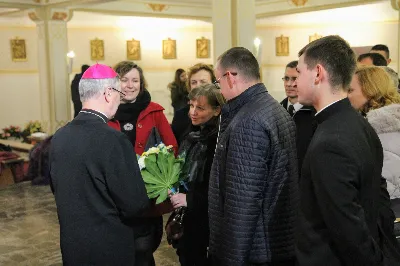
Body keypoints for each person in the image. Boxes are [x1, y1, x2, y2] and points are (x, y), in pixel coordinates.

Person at [294, 35, 386, 266]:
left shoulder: (331, 141)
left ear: (317, 73)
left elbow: (348, 230)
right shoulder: (356, 122)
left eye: (299, 72)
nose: (294, 81)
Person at [49, 63, 149, 265]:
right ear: (108, 94)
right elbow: (134, 204)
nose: (119, 101)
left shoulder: (59, 137)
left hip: (73, 247)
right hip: (109, 249)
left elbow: (56, 187)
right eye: (119, 94)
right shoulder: (114, 140)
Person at [208, 47, 298, 266]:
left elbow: (242, 203)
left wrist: (231, 260)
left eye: (217, 81)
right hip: (274, 240)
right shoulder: (273, 108)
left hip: (256, 250)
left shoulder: (248, 122)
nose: (218, 88)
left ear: (229, 77)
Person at [108, 61, 177, 266]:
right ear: (115, 83)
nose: (130, 85)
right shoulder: (105, 113)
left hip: (146, 196)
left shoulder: (154, 111)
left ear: (141, 83)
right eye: (124, 79)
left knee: (144, 251)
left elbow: (172, 148)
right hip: (115, 198)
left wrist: (155, 170)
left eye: (135, 80)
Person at [168, 84, 225, 266]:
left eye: (200, 108)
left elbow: (218, 187)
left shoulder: (218, 140)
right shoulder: (192, 133)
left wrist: (189, 199)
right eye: (191, 106)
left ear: (216, 111)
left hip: (206, 222)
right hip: (189, 216)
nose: (193, 112)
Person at [348, 66, 400, 213]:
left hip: (387, 210)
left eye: (350, 90)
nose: (345, 95)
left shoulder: (374, 128)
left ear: (370, 90)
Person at [280, 60, 316, 173]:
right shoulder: (277, 109)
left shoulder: (315, 113)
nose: (289, 84)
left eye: (294, 78)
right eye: (286, 78)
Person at [171, 63, 216, 145]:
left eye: (203, 82)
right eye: (194, 82)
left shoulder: (221, 113)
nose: (198, 86)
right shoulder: (180, 116)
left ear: (214, 84)